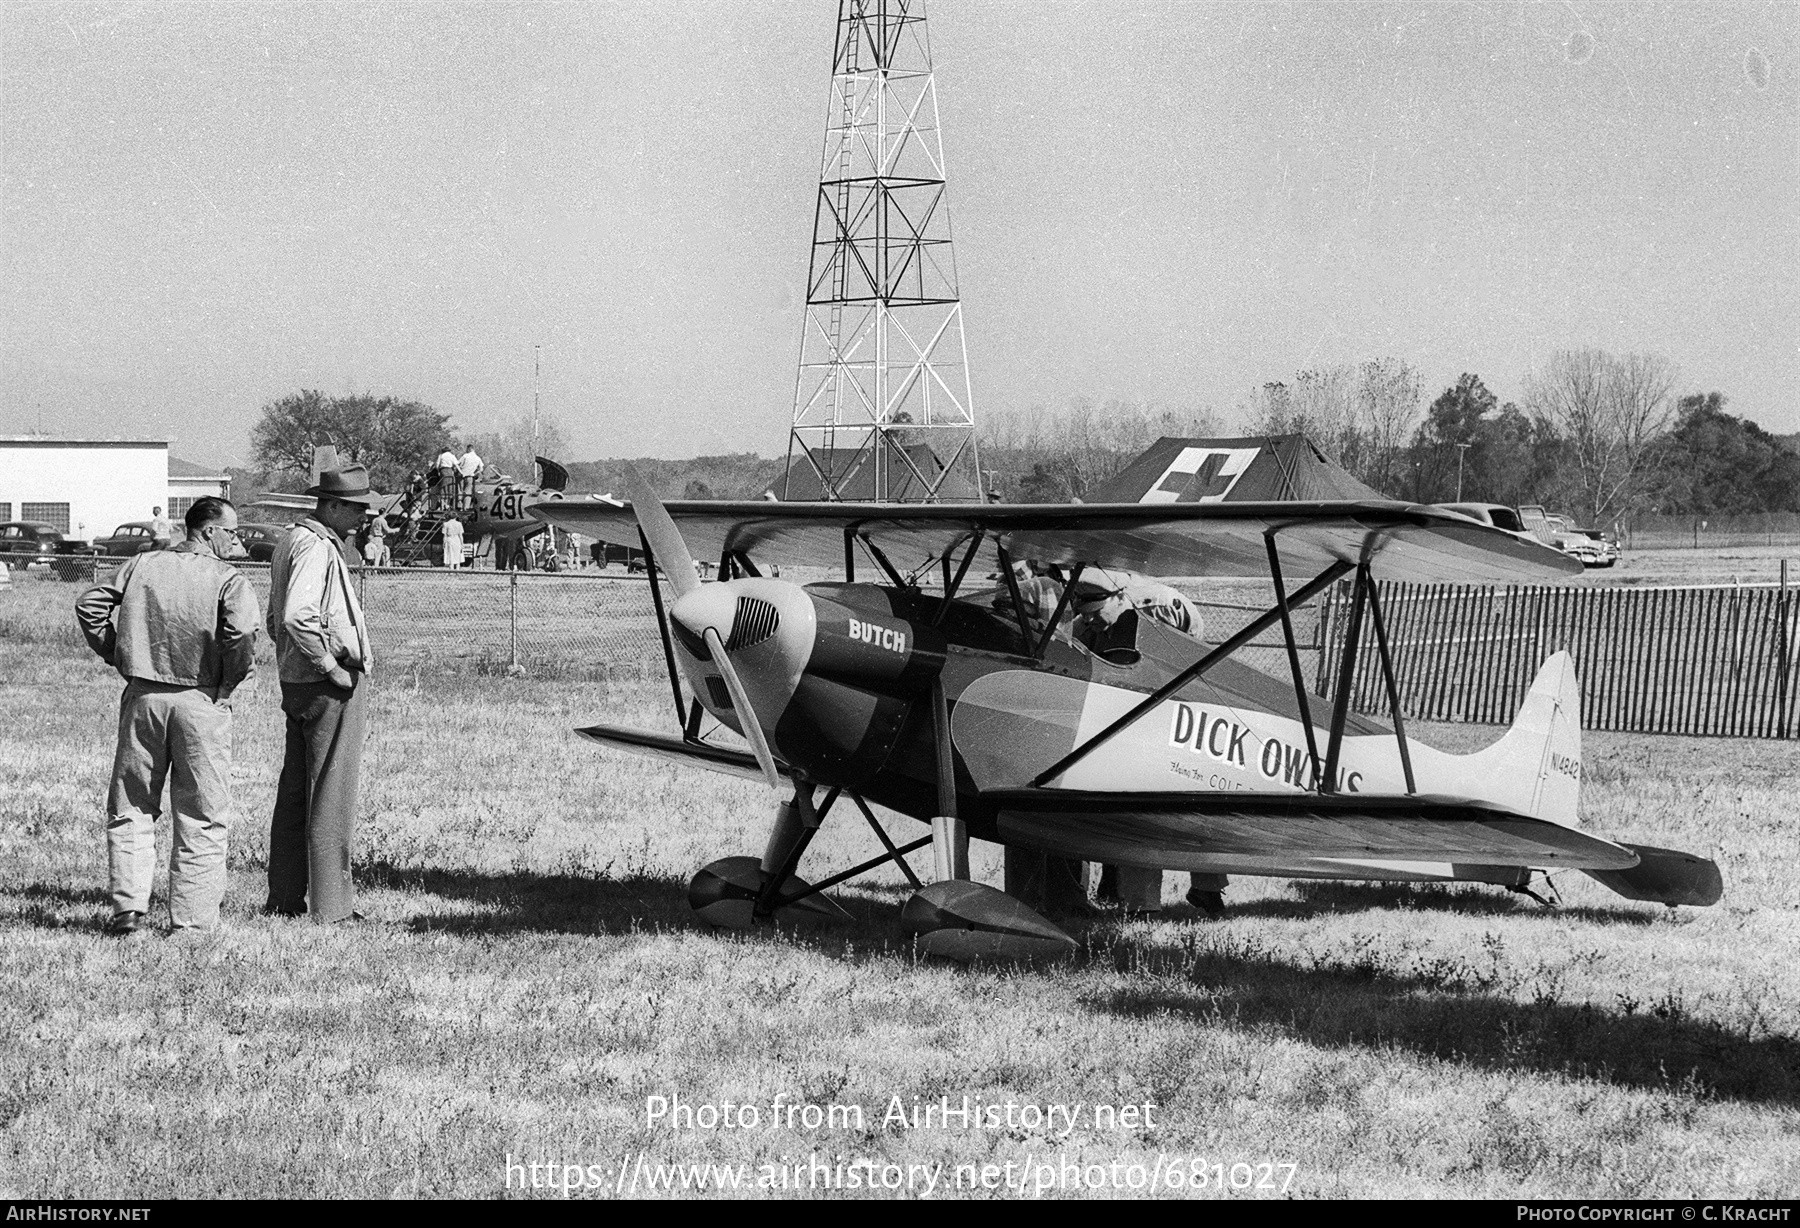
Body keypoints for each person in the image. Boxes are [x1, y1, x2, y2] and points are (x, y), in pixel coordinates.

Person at [75, 497, 259, 934]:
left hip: (143, 696)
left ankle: (128, 910)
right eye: (231, 532)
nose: (236, 540)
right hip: (201, 700)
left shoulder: (142, 564)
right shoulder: (227, 578)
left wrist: (120, 653)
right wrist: (227, 683)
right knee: (201, 811)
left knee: (132, 804)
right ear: (209, 531)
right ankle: (192, 923)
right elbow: (243, 633)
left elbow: (90, 605)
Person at [265, 465, 380, 923]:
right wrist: (331, 667)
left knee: (295, 791)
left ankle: (285, 898)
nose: (361, 517)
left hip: (296, 680)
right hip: (324, 685)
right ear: (331, 506)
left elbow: (279, 619)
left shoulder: (292, 540)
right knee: (332, 794)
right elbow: (297, 616)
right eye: (354, 508)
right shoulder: (316, 546)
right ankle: (332, 909)